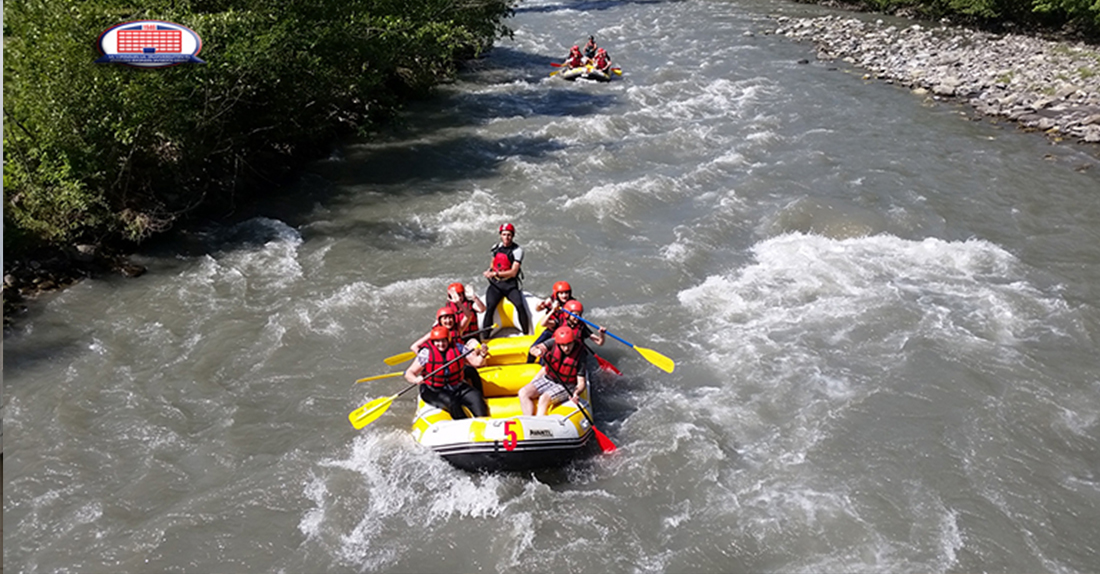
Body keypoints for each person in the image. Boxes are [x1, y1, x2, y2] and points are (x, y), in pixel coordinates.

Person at [405, 326, 490, 420]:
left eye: (443, 341)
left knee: (476, 397)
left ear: (448, 340)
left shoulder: (459, 348)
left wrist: (482, 355)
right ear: (433, 342)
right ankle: (463, 424)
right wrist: (416, 379)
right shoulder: (426, 353)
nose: (441, 344)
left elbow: (476, 363)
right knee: (452, 402)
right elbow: (409, 373)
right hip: (433, 389)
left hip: (457, 386)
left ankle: (484, 422)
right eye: (437, 341)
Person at [519, 327, 589, 416]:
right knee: (523, 392)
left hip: (566, 385)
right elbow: (534, 348)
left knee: (544, 398)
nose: (566, 348)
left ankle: (539, 424)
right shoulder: (553, 342)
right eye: (563, 345)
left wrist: (576, 393)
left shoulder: (580, 354)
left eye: (569, 344)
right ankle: (528, 418)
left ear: (573, 342)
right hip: (548, 379)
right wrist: (537, 351)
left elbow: (581, 383)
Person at [481, 222, 531, 337]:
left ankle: (526, 334)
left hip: (509, 285)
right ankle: (485, 338)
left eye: (509, 235)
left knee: (519, 305)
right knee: (490, 308)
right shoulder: (496, 248)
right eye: (504, 234)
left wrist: (495, 273)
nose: (506, 237)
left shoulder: (517, 251)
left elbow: (513, 272)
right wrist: (489, 272)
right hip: (496, 285)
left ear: (512, 236)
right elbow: (493, 263)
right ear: (500, 235)